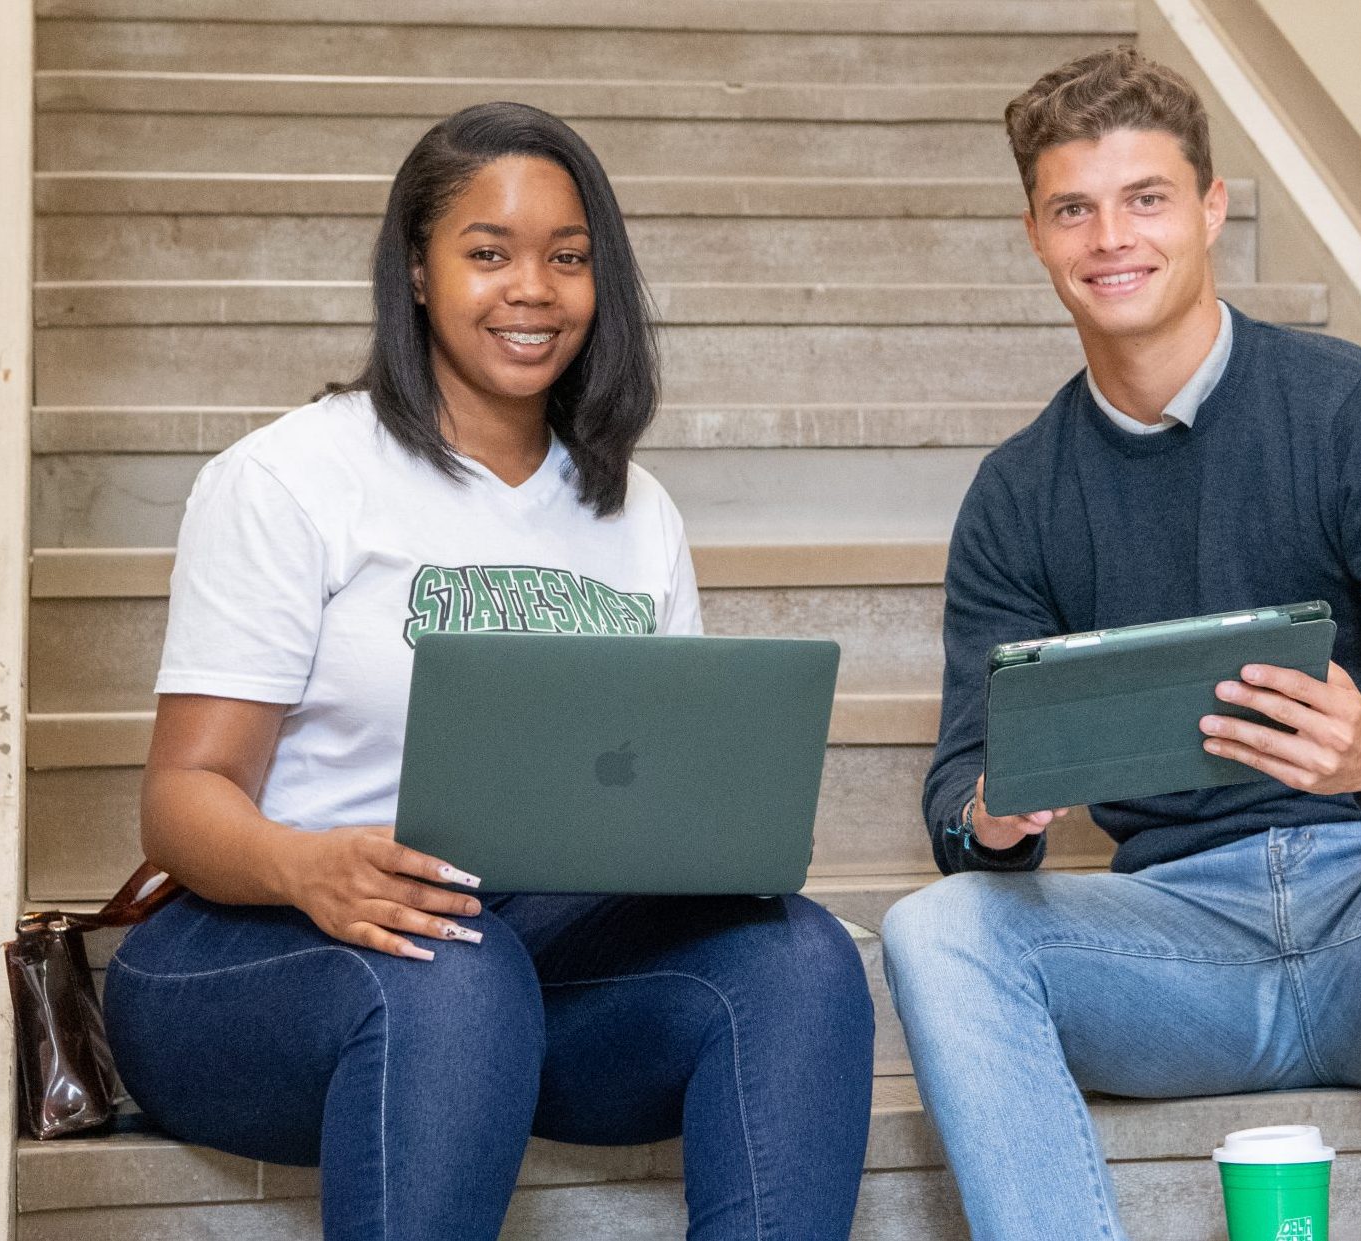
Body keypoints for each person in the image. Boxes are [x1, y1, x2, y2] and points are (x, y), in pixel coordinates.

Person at [103, 102, 874, 1241]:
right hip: (268, 951)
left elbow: (659, 789)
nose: (535, 288)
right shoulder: (289, 479)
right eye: (489, 252)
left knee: (801, 957)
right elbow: (179, 802)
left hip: (521, 957)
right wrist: (311, 867)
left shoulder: (634, 509)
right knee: (451, 971)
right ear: (416, 270)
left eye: (568, 257)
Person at [880, 48, 1361, 1240]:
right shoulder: (1017, 495)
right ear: (1035, 235)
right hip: (1174, 954)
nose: (1112, 236)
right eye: (1075, 207)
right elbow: (958, 796)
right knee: (935, 926)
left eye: (1147, 198)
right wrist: (996, 817)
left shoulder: (1356, 414)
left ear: (1212, 207)